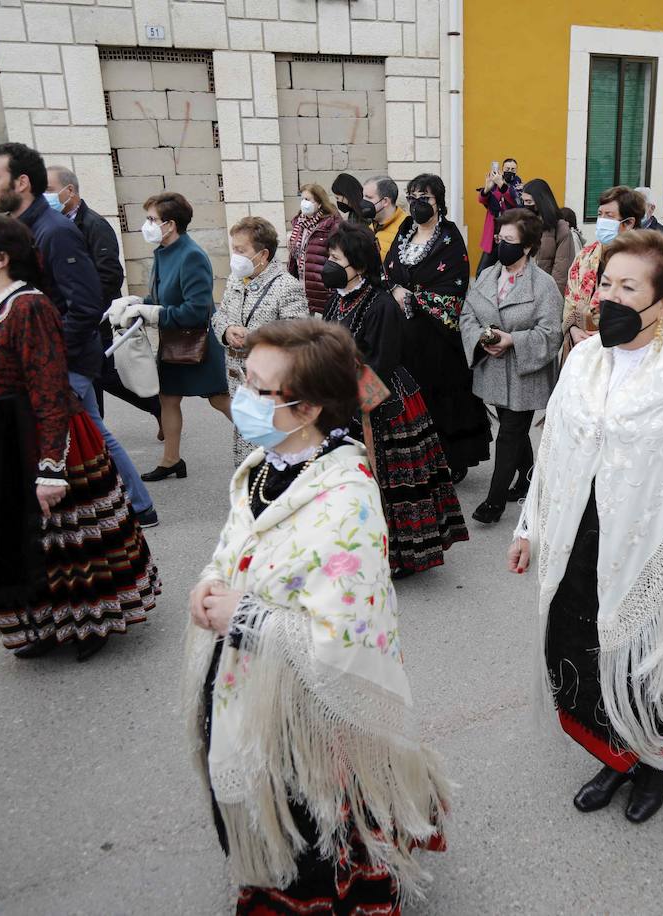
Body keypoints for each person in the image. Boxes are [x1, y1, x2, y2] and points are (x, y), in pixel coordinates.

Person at [183, 319, 449, 913]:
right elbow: (237, 546)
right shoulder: (262, 467)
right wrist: (210, 584)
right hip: (246, 675)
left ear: (305, 410)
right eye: (244, 381)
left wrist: (244, 617)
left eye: (258, 389)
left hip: (309, 708)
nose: (243, 397)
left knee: (310, 807)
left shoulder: (347, 499)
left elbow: (344, 636)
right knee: (258, 787)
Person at [508, 229, 663, 823]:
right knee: (592, 654)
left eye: (629, 287)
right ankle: (617, 756)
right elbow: (552, 456)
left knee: (653, 664)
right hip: (584, 540)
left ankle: (658, 762)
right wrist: (529, 529)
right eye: (606, 283)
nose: (611, 298)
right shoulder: (582, 363)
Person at [0, 213, 157, 659]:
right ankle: (36, 622)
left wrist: (50, 469)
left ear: (0, 258)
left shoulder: (29, 306)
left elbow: (49, 386)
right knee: (16, 533)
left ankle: (87, 622)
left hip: (38, 433)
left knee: (63, 536)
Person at [0, 142, 157, 526]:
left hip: (64, 360)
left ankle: (130, 508)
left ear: (22, 182)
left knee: (81, 434)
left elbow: (84, 304)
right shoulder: (28, 229)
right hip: (53, 358)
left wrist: (50, 357)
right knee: (92, 431)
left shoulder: (55, 231)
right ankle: (134, 507)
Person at [323, 221, 468, 575]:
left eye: (335, 258)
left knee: (390, 478)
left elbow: (381, 363)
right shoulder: (336, 301)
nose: (329, 264)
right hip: (344, 394)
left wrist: (351, 406)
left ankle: (400, 555)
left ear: (357, 264)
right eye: (328, 256)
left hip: (382, 400)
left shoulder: (381, 304)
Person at [111, 191, 231, 483]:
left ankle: (271, 442)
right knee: (168, 399)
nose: (147, 224)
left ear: (170, 224)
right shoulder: (164, 252)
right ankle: (171, 460)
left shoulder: (191, 256)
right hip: (175, 342)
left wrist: (153, 313)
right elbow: (164, 295)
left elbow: (196, 310)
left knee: (219, 399)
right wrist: (139, 300)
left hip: (197, 342)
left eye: (152, 219)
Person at [384, 172, 492, 479]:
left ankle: (450, 461)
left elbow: (454, 287)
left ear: (438, 202)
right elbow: (388, 270)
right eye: (413, 197)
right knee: (408, 399)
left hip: (437, 337)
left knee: (440, 400)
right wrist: (394, 289)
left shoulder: (449, 236)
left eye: (425, 198)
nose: (418, 204)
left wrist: (417, 299)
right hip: (403, 336)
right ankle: (414, 459)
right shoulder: (405, 229)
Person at [460, 208, 562, 524]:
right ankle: (529, 479)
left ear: (527, 247)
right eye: (499, 238)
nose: (501, 245)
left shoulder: (543, 286)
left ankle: (494, 503)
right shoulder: (489, 275)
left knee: (509, 433)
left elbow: (551, 332)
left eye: (509, 240)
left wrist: (512, 340)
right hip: (493, 368)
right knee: (511, 430)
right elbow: (467, 315)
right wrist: (481, 337)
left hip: (525, 373)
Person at [46, 165, 161, 429]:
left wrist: (87, 310)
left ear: (70, 190)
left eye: (50, 190)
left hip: (97, 317)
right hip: (75, 317)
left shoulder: (94, 225)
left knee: (99, 375)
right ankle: (148, 411)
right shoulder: (58, 225)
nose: (45, 197)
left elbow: (110, 275)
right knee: (99, 375)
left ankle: (150, 409)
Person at [215, 216, 310, 464]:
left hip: (271, 386)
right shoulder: (236, 278)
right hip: (238, 382)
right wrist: (226, 330)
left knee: (268, 453)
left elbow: (297, 333)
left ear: (263, 254)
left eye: (240, 250)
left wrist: (255, 337)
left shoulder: (286, 285)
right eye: (233, 248)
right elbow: (220, 314)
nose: (234, 255)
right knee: (245, 445)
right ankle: (249, 493)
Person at [562, 185, 645, 356]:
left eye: (609, 215)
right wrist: (572, 329)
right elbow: (570, 298)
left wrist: (608, 334)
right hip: (582, 349)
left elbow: (646, 312)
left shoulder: (643, 262)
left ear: (629, 223)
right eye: (600, 214)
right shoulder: (585, 256)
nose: (601, 220)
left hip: (623, 350)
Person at [287, 183, 341, 315]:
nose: (303, 203)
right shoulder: (299, 224)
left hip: (321, 290)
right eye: (302, 199)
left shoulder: (331, 224)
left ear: (320, 203)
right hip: (301, 287)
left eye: (308, 199)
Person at [521, 177, 575, 295]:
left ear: (541, 201)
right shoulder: (524, 223)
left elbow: (561, 271)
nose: (525, 206)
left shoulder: (560, 228)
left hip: (545, 293)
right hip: (523, 290)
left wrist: (552, 298)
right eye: (523, 201)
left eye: (529, 202)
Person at [475, 157, 522, 276]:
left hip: (509, 236)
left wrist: (501, 183)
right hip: (493, 235)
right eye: (507, 168)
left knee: (507, 271)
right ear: (502, 170)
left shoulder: (519, 187)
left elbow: (515, 201)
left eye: (513, 169)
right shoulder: (494, 186)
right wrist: (487, 188)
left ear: (516, 171)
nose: (510, 171)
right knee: (482, 272)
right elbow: (482, 200)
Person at [364, 174, 405, 255]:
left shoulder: (406, 229)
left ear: (385, 201)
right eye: (363, 197)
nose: (363, 201)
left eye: (368, 197)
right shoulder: (371, 227)